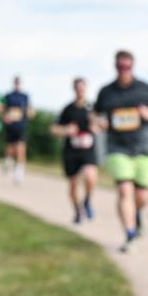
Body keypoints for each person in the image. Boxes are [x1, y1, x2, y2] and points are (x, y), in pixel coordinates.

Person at [93, 50, 148, 252]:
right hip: (118, 148)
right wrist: (99, 122)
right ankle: (129, 233)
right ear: (115, 66)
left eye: (127, 66)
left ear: (133, 66)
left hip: (144, 148)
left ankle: (137, 214)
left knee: (142, 196)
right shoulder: (106, 92)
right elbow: (95, 115)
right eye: (120, 66)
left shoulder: (146, 89)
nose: (123, 70)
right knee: (124, 190)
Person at [51, 77, 99, 224]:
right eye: (77, 88)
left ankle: (87, 201)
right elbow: (53, 128)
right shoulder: (68, 109)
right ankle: (78, 211)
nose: (80, 90)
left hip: (87, 149)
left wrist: (96, 127)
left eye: (82, 87)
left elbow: (102, 124)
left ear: (86, 88)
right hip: (71, 150)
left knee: (90, 177)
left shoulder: (92, 108)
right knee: (73, 184)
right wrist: (66, 130)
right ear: (74, 89)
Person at [3, 75, 34, 185]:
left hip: (21, 126)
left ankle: (19, 173)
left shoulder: (25, 96)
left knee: (21, 149)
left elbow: (30, 110)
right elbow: (3, 110)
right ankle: (7, 162)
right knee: (11, 149)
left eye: (18, 83)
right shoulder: (8, 96)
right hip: (11, 127)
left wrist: (30, 113)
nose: (17, 84)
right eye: (15, 82)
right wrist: (5, 118)